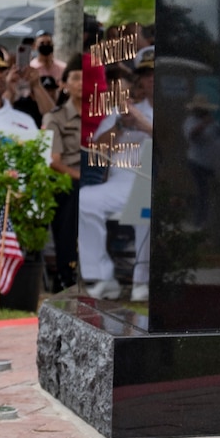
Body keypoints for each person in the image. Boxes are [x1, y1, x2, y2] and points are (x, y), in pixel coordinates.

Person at [79, 58, 154, 301]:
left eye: (155, 73)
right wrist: (121, 125)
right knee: (85, 199)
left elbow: (174, 142)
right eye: (146, 73)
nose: (152, 77)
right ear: (140, 80)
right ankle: (102, 277)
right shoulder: (121, 111)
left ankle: (142, 282)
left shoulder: (172, 107)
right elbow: (98, 150)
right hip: (120, 182)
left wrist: (141, 123)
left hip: (154, 181)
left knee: (146, 205)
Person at [42, 65, 83, 289]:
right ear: (64, 84)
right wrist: (81, 177)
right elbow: (54, 161)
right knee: (74, 192)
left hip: (97, 177)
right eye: (76, 78)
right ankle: (66, 272)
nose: (81, 83)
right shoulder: (55, 117)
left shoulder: (101, 116)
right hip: (66, 178)